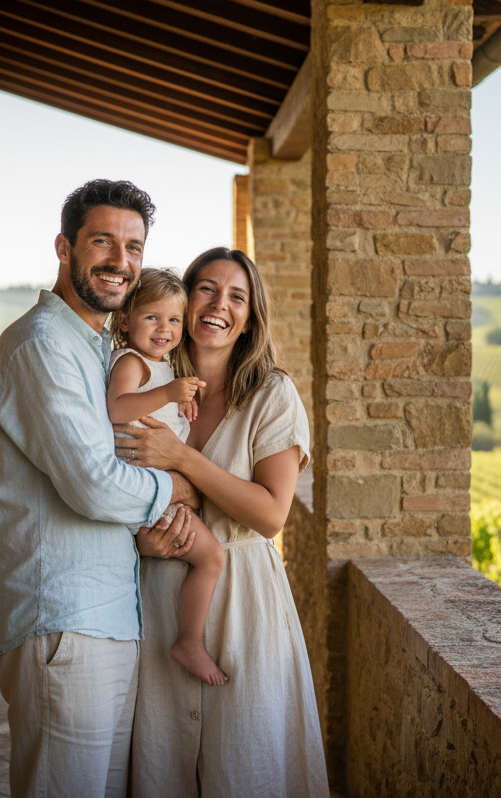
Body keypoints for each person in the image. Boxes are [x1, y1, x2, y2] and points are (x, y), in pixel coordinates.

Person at [0, 180, 200, 798]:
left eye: (133, 246)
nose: (119, 260)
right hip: (63, 621)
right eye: (102, 241)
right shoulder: (44, 348)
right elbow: (95, 485)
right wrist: (183, 486)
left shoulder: (96, 349)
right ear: (64, 247)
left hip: (100, 616)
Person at [116, 247, 330, 798]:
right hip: (161, 598)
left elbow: (270, 514)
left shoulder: (271, 394)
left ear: (251, 316)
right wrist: (146, 539)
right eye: (207, 289)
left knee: (246, 759)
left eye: (237, 296)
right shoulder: (150, 384)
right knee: (164, 762)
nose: (219, 305)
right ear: (185, 302)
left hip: (244, 599)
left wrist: (182, 459)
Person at [106, 267, 227, 687]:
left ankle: (187, 639)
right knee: (212, 558)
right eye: (152, 317)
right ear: (125, 321)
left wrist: (180, 405)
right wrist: (170, 393)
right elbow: (117, 410)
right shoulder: (131, 362)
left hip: (159, 488)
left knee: (207, 557)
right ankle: (188, 642)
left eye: (174, 320)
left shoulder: (160, 367)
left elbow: (158, 414)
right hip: (149, 491)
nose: (165, 328)